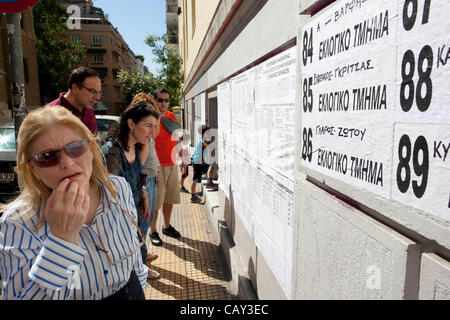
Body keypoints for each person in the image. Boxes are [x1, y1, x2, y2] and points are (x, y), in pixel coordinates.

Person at [0, 106, 148, 300]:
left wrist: (141, 282)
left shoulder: (118, 188)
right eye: (48, 156)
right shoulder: (18, 223)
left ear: (91, 150)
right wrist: (61, 240)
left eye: (76, 147)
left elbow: (133, 257)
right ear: (33, 168)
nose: (67, 163)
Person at [103, 101, 161, 280]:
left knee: (139, 253)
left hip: (135, 212)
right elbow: (112, 196)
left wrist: (143, 192)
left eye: (154, 127)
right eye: (148, 126)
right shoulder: (112, 153)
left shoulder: (138, 146)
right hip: (119, 222)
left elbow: (137, 177)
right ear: (131, 124)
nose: (152, 132)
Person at [149, 87, 185, 246]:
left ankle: (166, 226)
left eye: (166, 100)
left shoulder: (171, 117)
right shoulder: (150, 117)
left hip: (172, 164)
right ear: (154, 100)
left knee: (169, 199)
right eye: (160, 100)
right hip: (157, 167)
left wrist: (183, 158)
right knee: (156, 201)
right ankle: (153, 231)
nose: (163, 103)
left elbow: (178, 138)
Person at [130, 93, 160, 266]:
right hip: (145, 183)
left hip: (151, 180)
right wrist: (143, 190)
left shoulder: (147, 134)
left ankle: (143, 254)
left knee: (145, 225)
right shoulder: (140, 137)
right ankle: (141, 267)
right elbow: (139, 166)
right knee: (141, 228)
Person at [47, 67, 101, 136]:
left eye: (99, 92)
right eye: (92, 91)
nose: (97, 97)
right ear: (75, 88)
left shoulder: (88, 108)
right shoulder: (50, 114)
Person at [190, 126, 217, 203]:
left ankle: (193, 195)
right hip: (198, 163)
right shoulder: (202, 142)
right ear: (203, 134)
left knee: (210, 165)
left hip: (198, 162)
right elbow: (211, 148)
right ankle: (208, 181)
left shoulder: (202, 140)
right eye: (208, 133)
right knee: (195, 180)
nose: (209, 134)